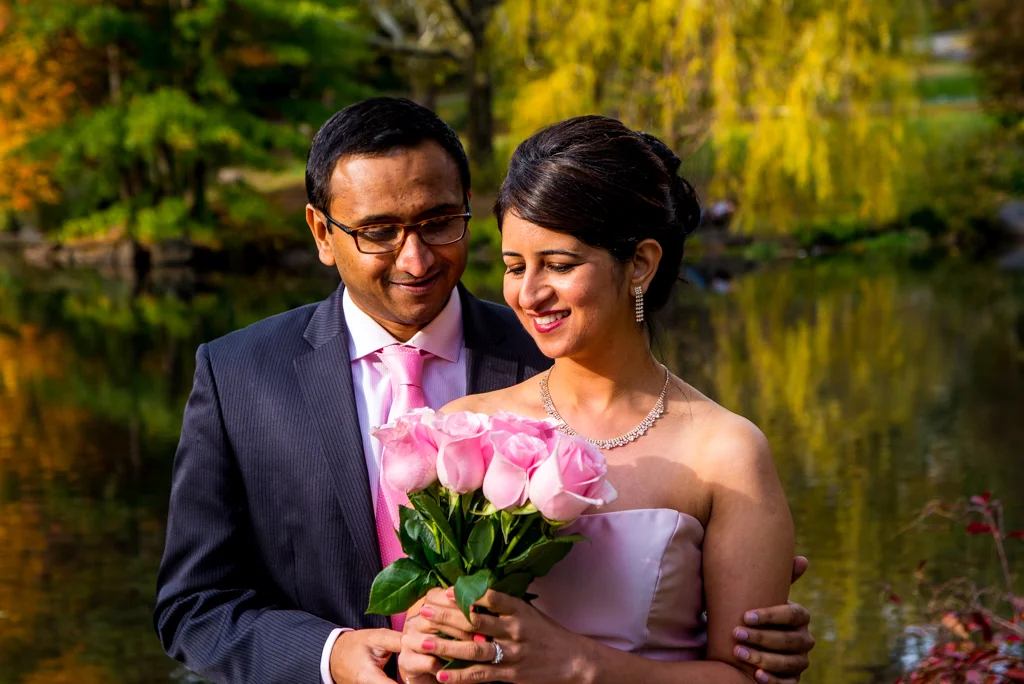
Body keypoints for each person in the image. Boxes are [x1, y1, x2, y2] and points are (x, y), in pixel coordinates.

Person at [154, 98, 814, 684]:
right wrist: (330, 655)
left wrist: (726, 578)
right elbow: (194, 605)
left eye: (440, 222)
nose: (416, 259)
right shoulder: (240, 375)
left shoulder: (562, 345)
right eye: (380, 232)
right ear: (323, 233)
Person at [397, 115, 804, 684]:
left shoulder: (727, 453)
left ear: (640, 263)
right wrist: (424, 654)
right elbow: (440, 633)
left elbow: (753, 679)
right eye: (515, 267)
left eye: (559, 265)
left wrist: (578, 664)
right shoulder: (466, 430)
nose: (530, 293)